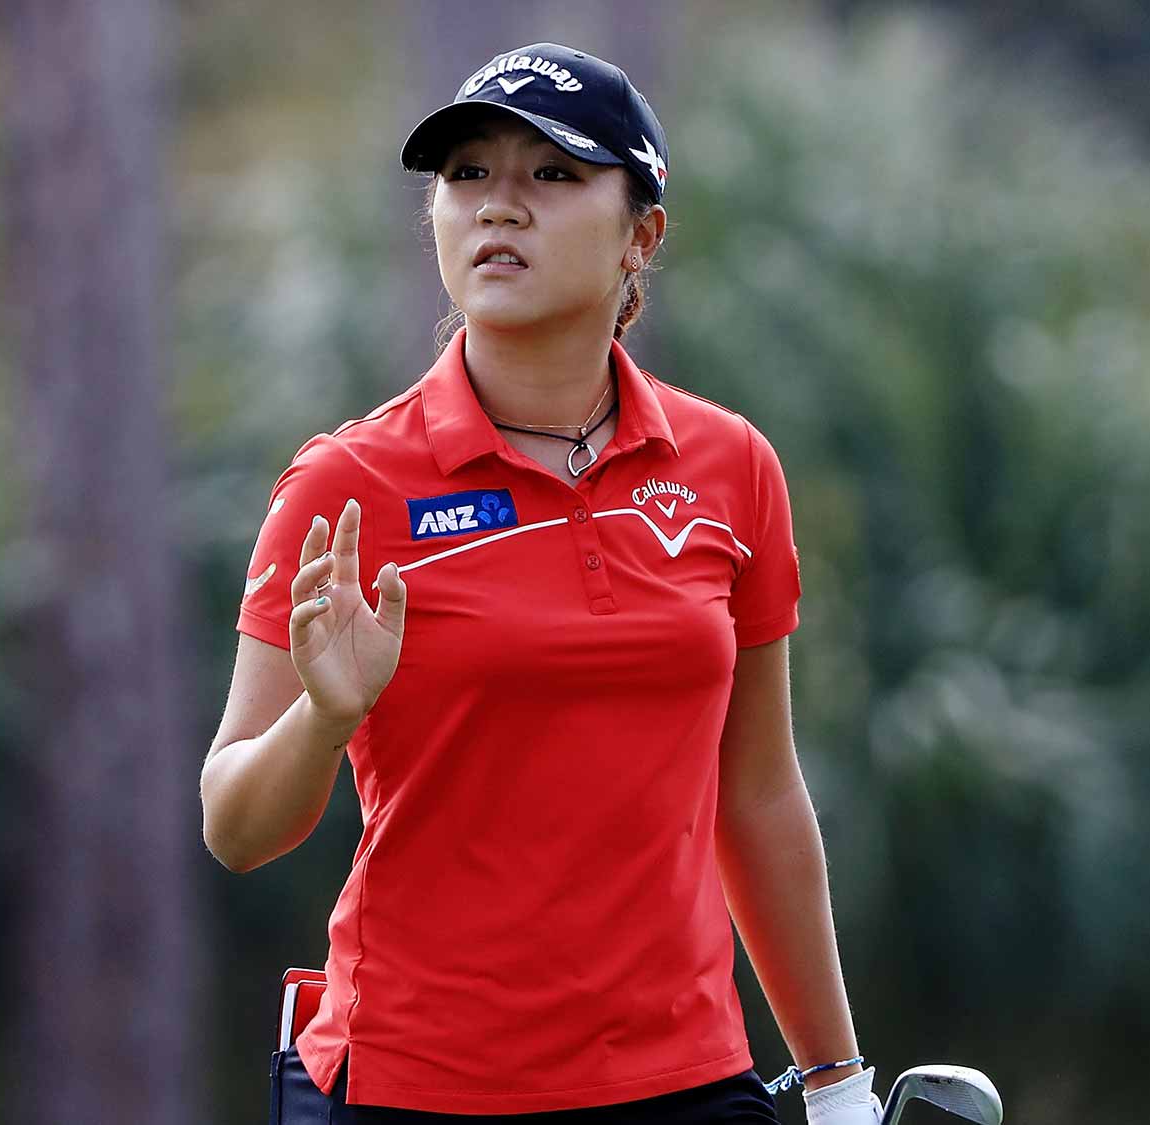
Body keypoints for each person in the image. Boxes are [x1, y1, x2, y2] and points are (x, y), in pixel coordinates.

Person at [199, 42, 883, 1125]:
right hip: (419, 1090)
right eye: (466, 176)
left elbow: (754, 797)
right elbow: (235, 826)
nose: (496, 209)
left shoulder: (729, 467)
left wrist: (837, 1080)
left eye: (551, 175)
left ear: (640, 235)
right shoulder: (349, 485)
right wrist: (325, 720)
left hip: (685, 1083)